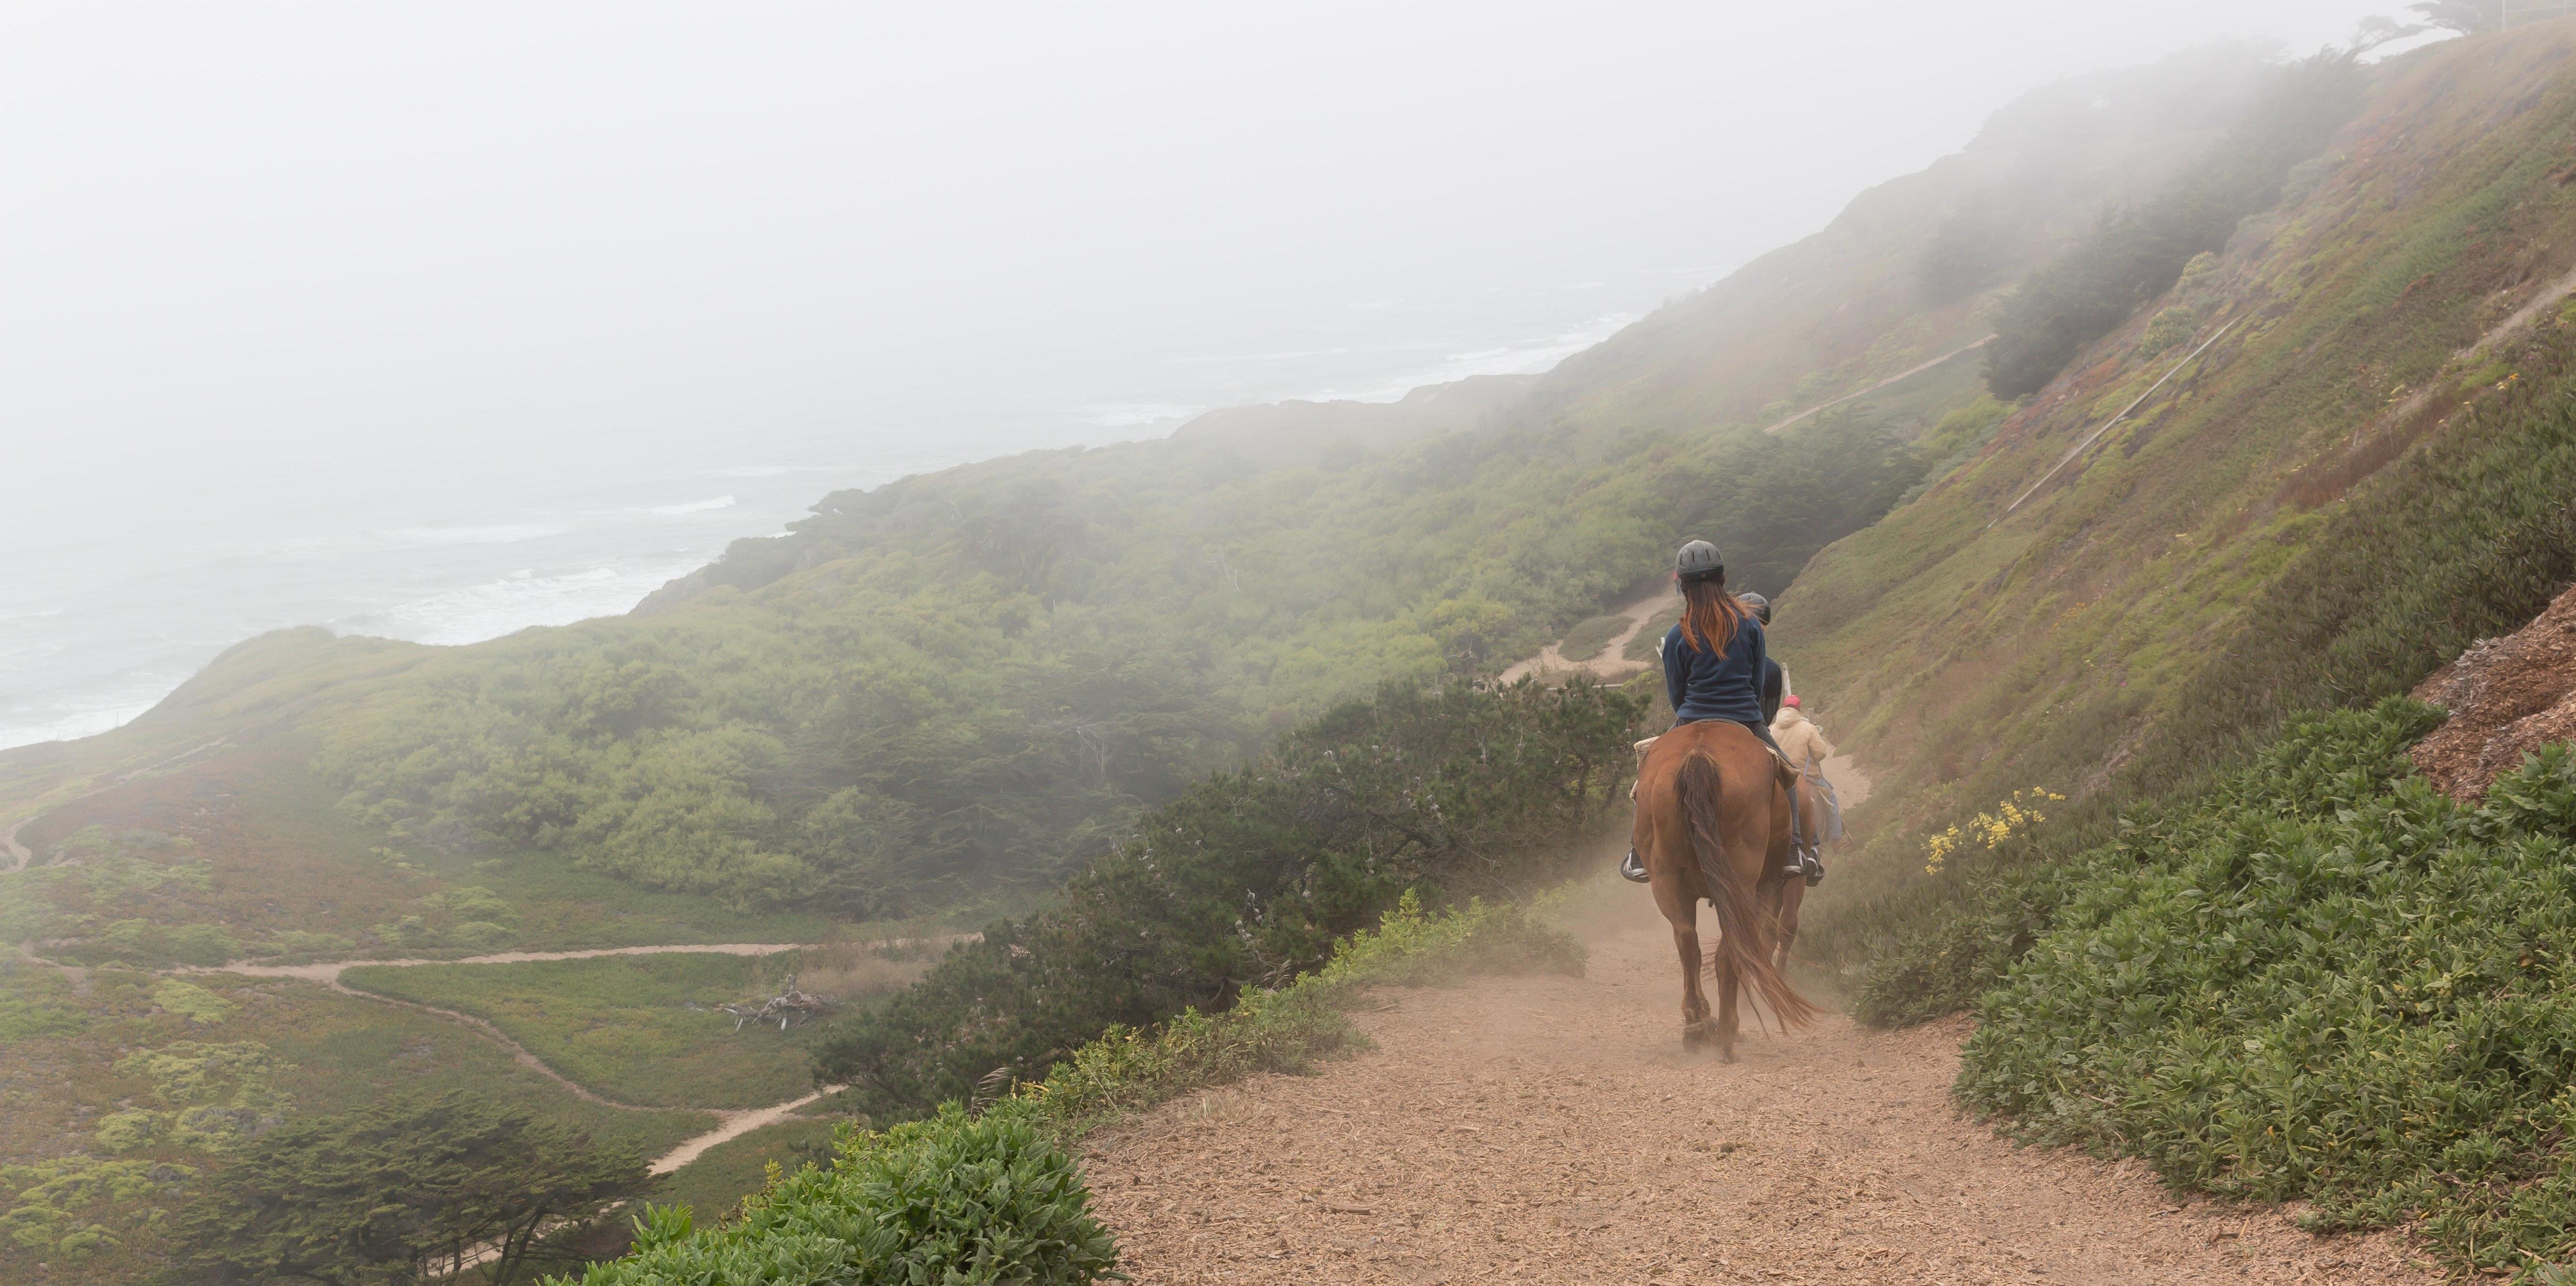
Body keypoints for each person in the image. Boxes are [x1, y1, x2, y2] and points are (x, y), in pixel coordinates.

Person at [1621, 540, 1812, 883]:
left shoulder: (1677, 635)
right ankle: (1796, 849)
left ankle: (1638, 853)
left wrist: (1690, 717)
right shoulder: (1751, 626)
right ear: (1722, 578)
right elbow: (1757, 680)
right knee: (1789, 776)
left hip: (1691, 717)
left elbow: (1676, 694)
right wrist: (1743, 711)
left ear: (1683, 585)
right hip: (1746, 719)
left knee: (1645, 780)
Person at [1771, 694, 1839, 881]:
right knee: (1831, 798)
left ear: (1784, 707)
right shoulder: (1807, 727)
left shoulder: (1772, 728)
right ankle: (1837, 838)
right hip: (1806, 775)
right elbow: (1821, 753)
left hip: (1778, 777)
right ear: (1799, 709)